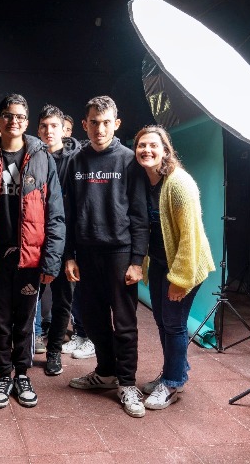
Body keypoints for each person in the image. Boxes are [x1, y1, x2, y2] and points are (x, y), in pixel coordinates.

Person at [0, 93, 65, 409]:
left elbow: (55, 213)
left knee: (25, 321)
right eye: (8, 116)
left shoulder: (42, 157)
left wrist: (51, 261)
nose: (14, 121)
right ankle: (3, 375)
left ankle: (22, 374)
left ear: (26, 122)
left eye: (21, 117)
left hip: (31, 258)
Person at [64, 95, 149, 418]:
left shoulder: (129, 160)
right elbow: (69, 213)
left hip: (120, 253)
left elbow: (140, 215)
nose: (99, 129)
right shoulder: (75, 161)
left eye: (105, 123)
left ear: (116, 124)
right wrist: (69, 255)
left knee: (124, 323)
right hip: (86, 253)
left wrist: (137, 261)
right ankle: (105, 371)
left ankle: (127, 383)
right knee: (93, 320)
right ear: (84, 125)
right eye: (94, 123)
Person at [133, 125, 215, 410]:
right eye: (141, 145)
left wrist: (180, 280)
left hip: (185, 265)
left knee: (175, 323)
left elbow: (190, 237)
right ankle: (174, 371)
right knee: (162, 321)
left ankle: (172, 382)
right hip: (160, 263)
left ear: (165, 150)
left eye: (153, 145)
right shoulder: (146, 182)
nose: (147, 150)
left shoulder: (179, 183)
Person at [35, 105, 82, 376]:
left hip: (64, 241)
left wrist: (71, 250)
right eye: (44, 126)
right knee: (31, 296)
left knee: (63, 301)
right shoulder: (32, 157)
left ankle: (54, 351)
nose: (49, 131)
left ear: (63, 129)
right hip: (35, 240)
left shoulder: (75, 160)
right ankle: (29, 344)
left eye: (54, 126)